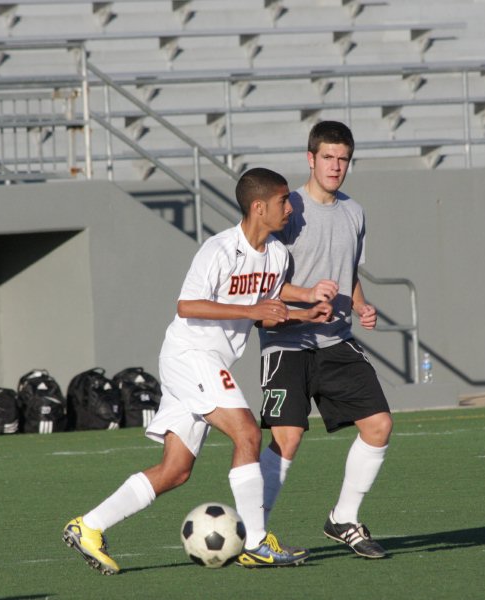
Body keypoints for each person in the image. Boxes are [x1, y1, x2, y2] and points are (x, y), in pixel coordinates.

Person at [63, 167, 334, 574]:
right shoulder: (219, 249)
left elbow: (269, 307)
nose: (291, 206)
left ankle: (88, 526)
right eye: (283, 200)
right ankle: (256, 543)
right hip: (189, 355)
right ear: (259, 207)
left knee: (176, 470)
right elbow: (187, 306)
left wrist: (308, 311)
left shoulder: (278, 255)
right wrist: (254, 310)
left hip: (209, 362)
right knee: (246, 432)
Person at [257, 121, 392, 559]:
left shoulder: (354, 212)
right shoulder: (285, 209)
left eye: (343, 159)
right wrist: (303, 304)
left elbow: (348, 272)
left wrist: (361, 304)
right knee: (288, 436)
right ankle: (252, 534)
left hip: (335, 340)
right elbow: (262, 280)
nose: (336, 167)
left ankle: (343, 518)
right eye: (328, 157)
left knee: (379, 425)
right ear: (310, 158)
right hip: (287, 343)